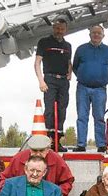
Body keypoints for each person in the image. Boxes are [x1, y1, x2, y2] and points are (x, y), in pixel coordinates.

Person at [72, 25, 108, 153]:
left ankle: (101, 144)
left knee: (99, 117)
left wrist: (105, 80)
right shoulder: (81, 49)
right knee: (82, 116)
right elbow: (75, 67)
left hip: (100, 89)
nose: (96, 35)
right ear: (89, 34)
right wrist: (84, 76)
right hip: (83, 88)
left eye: (99, 33)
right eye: (94, 33)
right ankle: (81, 144)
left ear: (103, 35)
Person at [34, 18, 72, 152]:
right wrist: (41, 81)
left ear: (65, 30)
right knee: (49, 109)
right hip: (49, 79)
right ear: (53, 28)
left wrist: (69, 73)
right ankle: (48, 140)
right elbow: (37, 62)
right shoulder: (44, 42)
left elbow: (69, 62)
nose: (59, 31)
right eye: (57, 28)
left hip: (63, 81)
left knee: (62, 109)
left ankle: (57, 140)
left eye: (62, 29)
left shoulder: (68, 46)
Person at [0, 134, 74, 196]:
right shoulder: (18, 158)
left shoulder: (57, 160)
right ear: (30, 149)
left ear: (48, 150)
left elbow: (67, 182)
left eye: (41, 151)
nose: (38, 154)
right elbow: (4, 180)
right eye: (34, 150)